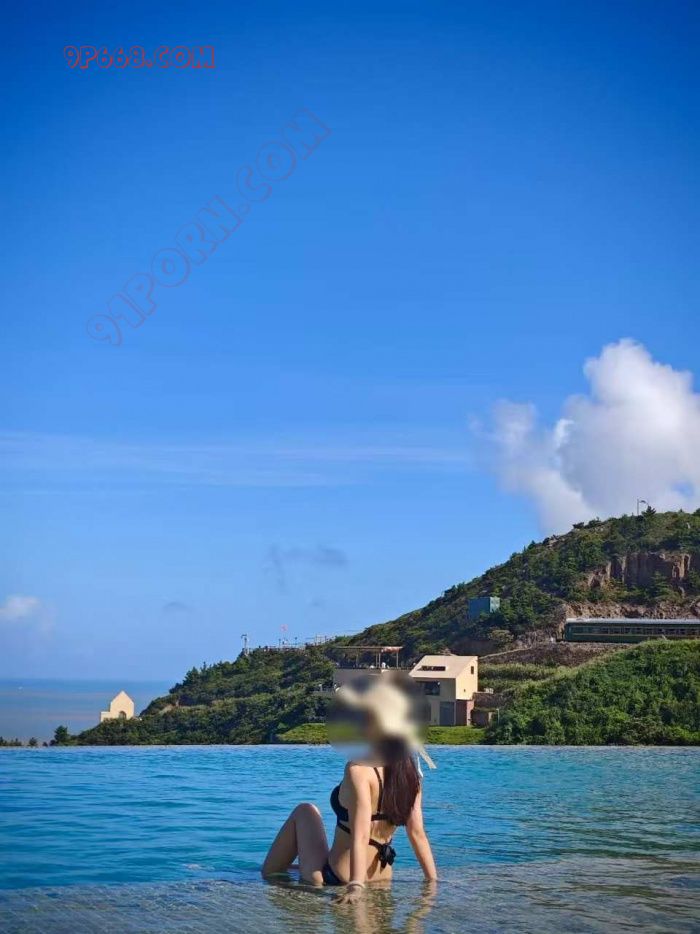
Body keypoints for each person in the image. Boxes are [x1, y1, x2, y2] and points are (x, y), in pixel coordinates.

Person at [261, 679, 438, 903]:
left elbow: (360, 833)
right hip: (383, 877)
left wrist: (356, 886)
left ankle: (273, 876)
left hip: (336, 877)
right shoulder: (410, 776)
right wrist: (432, 881)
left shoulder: (359, 771)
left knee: (305, 811)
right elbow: (417, 834)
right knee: (298, 857)